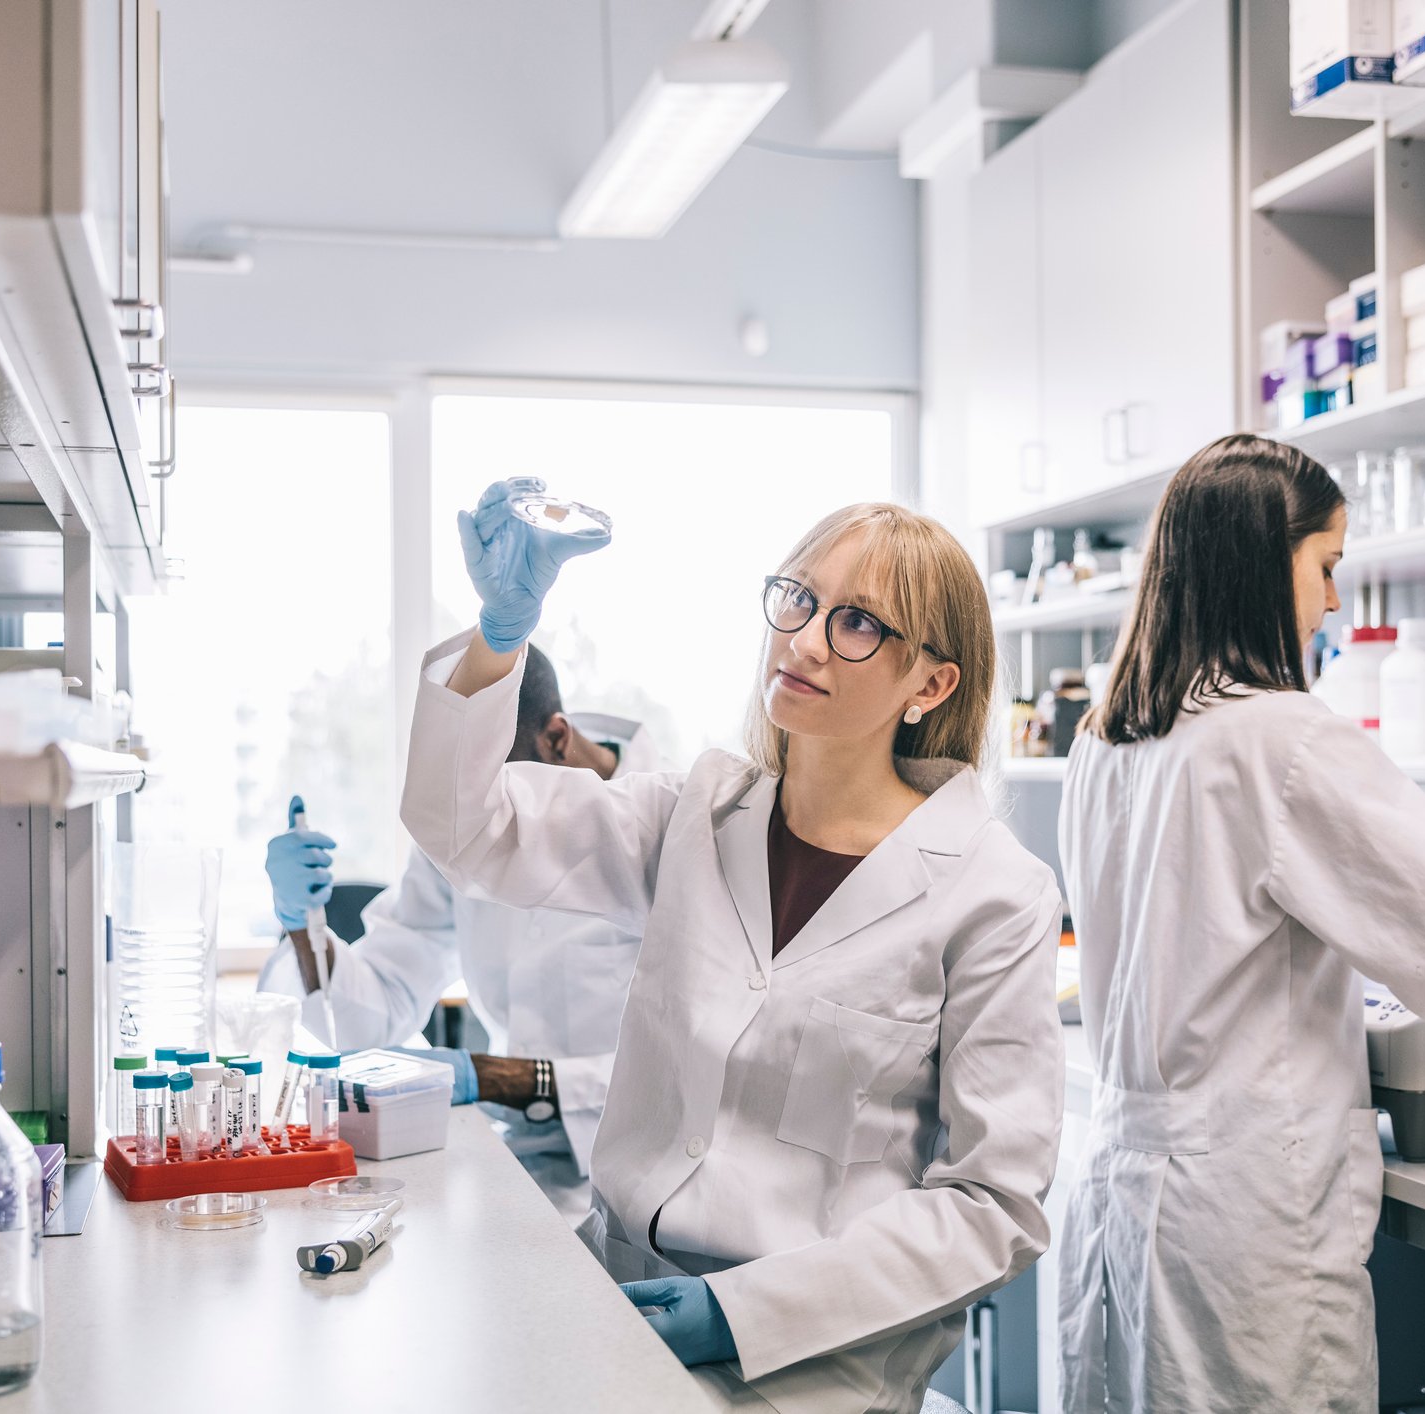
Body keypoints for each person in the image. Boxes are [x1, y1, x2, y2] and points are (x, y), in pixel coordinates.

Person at [400, 477, 1063, 1414]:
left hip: (816, 1367)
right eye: (798, 597)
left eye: (857, 623)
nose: (801, 639)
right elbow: (461, 826)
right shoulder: (696, 813)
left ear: (932, 682)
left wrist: (741, 1311)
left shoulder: (994, 893)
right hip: (610, 1302)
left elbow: (994, 1205)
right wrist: (498, 636)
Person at [1055, 434, 1425, 1413]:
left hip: (1128, 1196)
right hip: (1240, 1215)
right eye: (1325, 565)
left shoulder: (1113, 740)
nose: (1332, 599)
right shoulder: (1279, 739)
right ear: (1261, 561)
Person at [260, 646, 656, 1220]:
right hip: (520, 1167)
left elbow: (701, 1069)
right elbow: (379, 1001)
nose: (477, 823)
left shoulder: (674, 828)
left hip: (649, 1185)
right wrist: (300, 924)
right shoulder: (461, 827)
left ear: (556, 738)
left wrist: (509, 1079)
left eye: (492, 794)